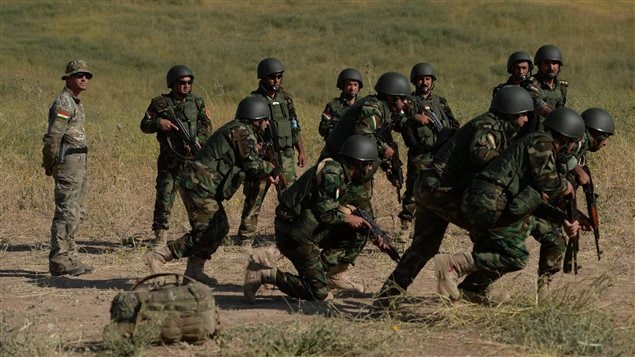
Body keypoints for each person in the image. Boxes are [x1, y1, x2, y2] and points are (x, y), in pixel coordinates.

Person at [376, 86, 533, 304]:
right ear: (510, 112)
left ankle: (386, 297)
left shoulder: (494, 126)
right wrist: (511, 162)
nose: (526, 120)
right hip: (442, 190)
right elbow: (479, 153)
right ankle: (475, 287)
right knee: (486, 229)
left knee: (423, 247)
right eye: (522, 115)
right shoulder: (489, 124)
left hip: (430, 188)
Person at [434, 108, 584, 303]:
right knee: (515, 256)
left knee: (498, 253)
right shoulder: (542, 142)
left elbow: (532, 199)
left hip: (486, 200)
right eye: (574, 143)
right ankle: (453, 265)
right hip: (491, 201)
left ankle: (472, 290)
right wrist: (566, 186)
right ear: (567, 138)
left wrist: (561, 219)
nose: (572, 149)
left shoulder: (536, 144)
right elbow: (548, 182)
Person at [143, 96, 277, 282]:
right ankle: (160, 256)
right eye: (265, 120)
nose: (267, 124)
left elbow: (245, 165)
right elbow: (253, 166)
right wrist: (271, 167)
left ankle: (194, 270)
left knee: (219, 227)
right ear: (256, 119)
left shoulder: (239, 130)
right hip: (199, 184)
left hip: (202, 184)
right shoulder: (241, 131)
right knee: (206, 231)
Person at [243, 135, 388, 303]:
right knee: (318, 293)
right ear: (358, 162)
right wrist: (349, 219)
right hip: (293, 232)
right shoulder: (332, 173)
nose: (370, 169)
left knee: (359, 230)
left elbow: (348, 208)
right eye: (368, 164)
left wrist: (373, 232)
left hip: (306, 227)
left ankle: (329, 274)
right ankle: (266, 274)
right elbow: (325, 214)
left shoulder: (344, 174)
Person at [320, 72, 410, 293]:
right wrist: (384, 151)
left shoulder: (382, 109)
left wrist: (390, 166)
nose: (405, 102)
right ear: (391, 97)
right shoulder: (373, 108)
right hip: (341, 170)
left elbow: (380, 138)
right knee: (362, 223)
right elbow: (364, 136)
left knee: (360, 222)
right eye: (402, 98)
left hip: (352, 170)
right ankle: (329, 272)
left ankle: (332, 270)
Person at [535, 107, 616, 300]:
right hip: (535, 196)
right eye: (604, 138)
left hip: (547, 195)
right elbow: (555, 168)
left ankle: (545, 284)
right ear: (596, 134)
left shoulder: (579, 147)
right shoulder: (577, 143)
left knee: (554, 236)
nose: (605, 144)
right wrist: (577, 171)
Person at [140, 65, 213, 246]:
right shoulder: (160, 103)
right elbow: (144, 125)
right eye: (182, 83)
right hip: (169, 159)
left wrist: (198, 141)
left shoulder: (197, 102)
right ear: (172, 84)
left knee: (198, 197)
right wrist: (159, 123)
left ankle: (201, 232)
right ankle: (160, 235)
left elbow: (207, 125)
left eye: (189, 82)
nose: (186, 86)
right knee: (165, 196)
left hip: (191, 158)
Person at [237, 58, 306, 245]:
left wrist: (300, 150)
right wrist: (257, 149)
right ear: (263, 78)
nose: (276, 81)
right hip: (263, 155)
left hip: (286, 154)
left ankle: (290, 232)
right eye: (272, 78)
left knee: (290, 195)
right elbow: (244, 129)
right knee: (256, 194)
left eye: (279, 77)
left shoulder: (286, 99)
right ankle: (246, 236)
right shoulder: (253, 100)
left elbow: (294, 125)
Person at [41, 59, 95, 276]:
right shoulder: (64, 102)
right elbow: (53, 136)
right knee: (67, 210)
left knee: (78, 211)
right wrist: (50, 162)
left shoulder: (76, 102)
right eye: (79, 75)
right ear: (69, 78)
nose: (84, 79)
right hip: (68, 163)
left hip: (79, 163)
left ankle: (70, 254)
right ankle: (59, 258)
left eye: (87, 76)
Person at [397, 63, 459, 238]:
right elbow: (396, 121)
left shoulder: (440, 102)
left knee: (438, 188)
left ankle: (437, 225)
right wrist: (414, 117)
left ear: (432, 82)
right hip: (420, 152)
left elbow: (453, 124)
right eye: (421, 79)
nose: (424, 82)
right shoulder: (408, 102)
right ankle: (406, 224)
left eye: (427, 79)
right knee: (414, 187)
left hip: (439, 152)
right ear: (414, 81)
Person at [526, 45, 568, 130]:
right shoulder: (530, 84)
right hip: (533, 135)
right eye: (547, 63)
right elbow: (538, 104)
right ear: (539, 65)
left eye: (554, 63)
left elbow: (561, 108)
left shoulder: (561, 87)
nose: (551, 67)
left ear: (559, 65)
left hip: (553, 133)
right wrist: (558, 118)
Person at [318, 68, 364, 140]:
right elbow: (322, 129)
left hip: (358, 145)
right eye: (349, 84)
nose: (352, 88)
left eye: (355, 85)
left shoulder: (364, 105)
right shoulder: (333, 106)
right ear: (342, 86)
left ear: (359, 87)